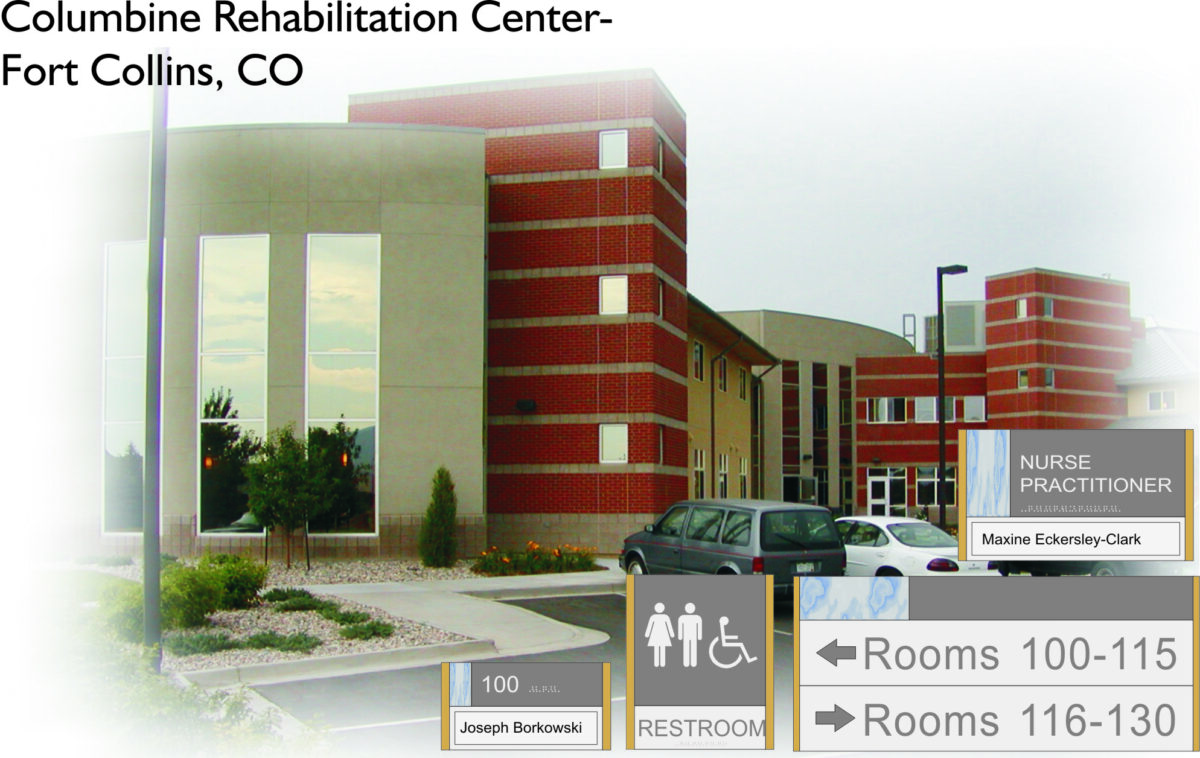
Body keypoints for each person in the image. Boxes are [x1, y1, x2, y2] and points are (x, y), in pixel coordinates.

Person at [644, 602, 674, 667]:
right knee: (657, 648)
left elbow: (669, 626)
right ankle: (658, 662)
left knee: (661, 648)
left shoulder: (665, 617)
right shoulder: (654, 617)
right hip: (657, 634)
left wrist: (671, 634)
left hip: (662, 634)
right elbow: (650, 626)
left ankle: (661, 662)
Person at [676, 602, 703, 667]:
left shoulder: (697, 618)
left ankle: (692, 663)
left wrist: (699, 636)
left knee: (692, 648)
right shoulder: (682, 618)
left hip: (692, 635)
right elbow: (680, 627)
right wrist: (680, 636)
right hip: (687, 635)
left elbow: (699, 627)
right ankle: (687, 663)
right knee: (688, 648)